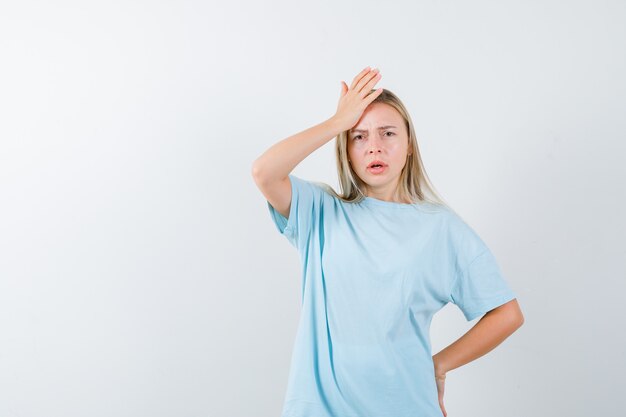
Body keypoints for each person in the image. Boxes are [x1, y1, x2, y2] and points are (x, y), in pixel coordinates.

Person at [251, 66, 524, 417]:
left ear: (409, 146)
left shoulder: (441, 229)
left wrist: (439, 365)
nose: (374, 147)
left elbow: (507, 313)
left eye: (387, 133)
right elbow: (264, 172)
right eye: (359, 137)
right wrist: (337, 122)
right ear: (346, 150)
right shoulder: (319, 211)